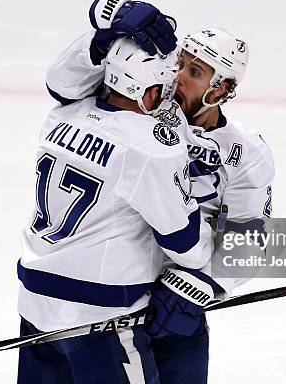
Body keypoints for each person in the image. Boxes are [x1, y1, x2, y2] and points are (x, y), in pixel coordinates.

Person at [45, 0, 275, 383]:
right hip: (113, 304)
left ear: (221, 89)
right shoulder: (140, 99)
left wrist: (203, 284)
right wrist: (102, 38)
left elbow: (250, 236)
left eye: (195, 72)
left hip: (178, 310)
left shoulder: (246, 153)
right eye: (180, 62)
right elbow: (61, 84)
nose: (178, 76)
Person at [16, 30, 217, 383]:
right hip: (102, 317)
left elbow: (63, 81)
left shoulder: (62, 115)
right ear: (150, 92)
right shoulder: (148, 149)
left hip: (35, 303)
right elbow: (187, 246)